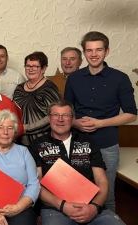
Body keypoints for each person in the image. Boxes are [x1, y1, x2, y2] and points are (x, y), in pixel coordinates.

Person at [64, 31, 137, 212]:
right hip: (77, 144)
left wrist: (99, 123)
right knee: (76, 193)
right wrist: (75, 123)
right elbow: (66, 113)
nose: (94, 54)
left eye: (98, 50)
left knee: (107, 196)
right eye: (89, 50)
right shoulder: (74, 78)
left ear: (107, 51)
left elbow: (131, 114)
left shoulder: (120, 78)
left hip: (107, 145)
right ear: (84, 53)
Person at [28, 100, 126, 225]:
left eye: (66, 115)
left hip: (91, 207)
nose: (60, 119)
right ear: (49, 118)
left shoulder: (88, 142)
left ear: (73, 119)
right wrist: (62, 205)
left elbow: (102, 180)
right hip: (55, 209)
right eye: (56, 115)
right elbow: (36, 184)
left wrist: (94, 207)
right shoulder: (37, 145)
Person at [13, 51, 61, 146]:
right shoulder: (19, 88)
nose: (31, 69)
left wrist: (27, 128)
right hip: (20, 142)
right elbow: (14, 112)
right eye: (28, 66)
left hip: (44, 142)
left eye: (35, 66)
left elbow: (54, 116)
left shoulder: (49, 88)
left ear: (44, 68)